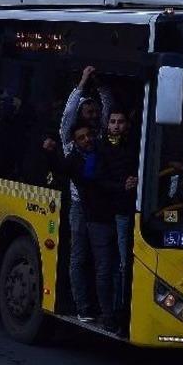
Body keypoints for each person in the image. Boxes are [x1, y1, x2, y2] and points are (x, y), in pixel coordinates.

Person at [44, 122, 122, 331]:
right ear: (74, 142)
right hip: (95, 218)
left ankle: (108, 312)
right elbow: (93, 180)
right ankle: (92, 310)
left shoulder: (103, 150)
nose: (87, 140)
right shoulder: (76, 161)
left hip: (108, 216)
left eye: (88, 135)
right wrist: (51, 152)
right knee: (94, 264)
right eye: (81, 138)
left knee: (109, 267)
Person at [101, 110, 139, 330]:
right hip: (106, 214)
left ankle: (120, 311)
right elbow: (97, 178)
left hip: (125, 212)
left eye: (120, 121)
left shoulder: (133, 147)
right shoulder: (103, 147)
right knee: (111, 264)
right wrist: (120, 186)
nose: (116, 126)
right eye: (112, 122)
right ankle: (112, 312)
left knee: (123, 264)